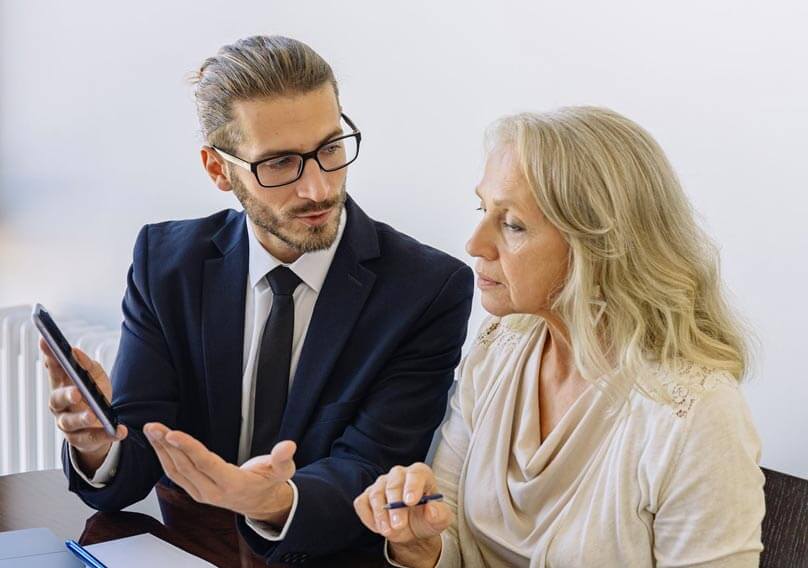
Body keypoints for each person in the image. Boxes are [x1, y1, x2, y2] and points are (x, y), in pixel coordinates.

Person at [40, 35, 473, 564]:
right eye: (279, 163)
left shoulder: (427, 288)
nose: (317, 189)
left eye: (331, 148)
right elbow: (130, 467)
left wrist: (272, 501)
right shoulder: (166, 262)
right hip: (193, 547)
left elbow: (371, 466)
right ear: (218, 169)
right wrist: (95, 444)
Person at [354, 107, 765, 567]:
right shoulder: (500, 344)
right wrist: (417, 542)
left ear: (599, 245)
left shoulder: (697, 414)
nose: (474, 243)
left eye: (512, 224)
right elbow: (449, 536)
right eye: (483, 210)